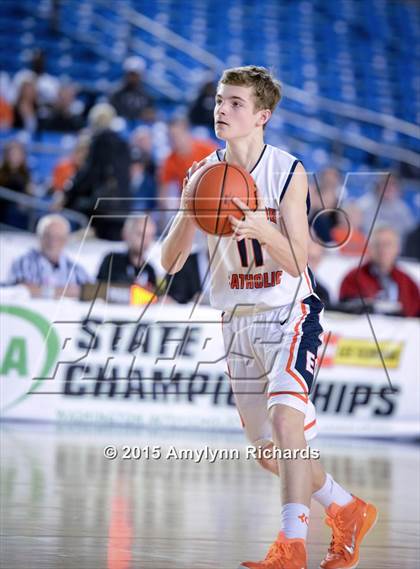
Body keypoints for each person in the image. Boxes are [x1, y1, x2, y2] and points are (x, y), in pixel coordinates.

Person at [161, 65, 377, 569]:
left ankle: (291, 546)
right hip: (235, 321)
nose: (221, 109)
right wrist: (188, 212)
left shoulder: (287, 171)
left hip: (288, 313)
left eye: (235, 102)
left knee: (286, 420)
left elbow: (299, 259)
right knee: (270, 452)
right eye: (219, 99)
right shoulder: (200, 174)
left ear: (263, 115)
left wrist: (262, 227)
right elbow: (169, 265)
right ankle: (346, 509)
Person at [63, 103, 131, 240]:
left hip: (102, 208)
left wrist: (69, 192)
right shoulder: (124, 144)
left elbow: (90, 175)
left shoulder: (98, 141)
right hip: (123, 208)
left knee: (74, 204)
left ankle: (75, 236)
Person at [339, 225, 420, 317]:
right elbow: (344, 310)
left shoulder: (408, 283)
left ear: (397, 248)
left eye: (388, 244)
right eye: (377, 244)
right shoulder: (353, 278)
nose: (382, 249)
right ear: (369, 247)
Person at [7, 214, 92, 298]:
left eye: (59, 238)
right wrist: (69, 292)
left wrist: (42, 290)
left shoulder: (75, 268)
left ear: (66, 240)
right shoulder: (23, 262)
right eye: (48, 236)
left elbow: (94, 291)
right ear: (39, 237)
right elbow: (22, 290)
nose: (53, 242)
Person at [97, 216, 157, 289]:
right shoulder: (112, 261)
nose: (145, 240)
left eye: (150, 236)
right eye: (140, 234)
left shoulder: (150, 270)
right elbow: (100, 289)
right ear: (126, 234)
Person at [357, 175, 416, 241]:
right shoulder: (364, 204)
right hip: (370, 244)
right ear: (377, 187)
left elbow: (411, 231)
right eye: (385, 184)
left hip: (396, 246)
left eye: (392, 185)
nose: (389, 188)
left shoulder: (401, 207)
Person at [110, 56, 155, 122]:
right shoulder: (117, 93)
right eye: (131, 74)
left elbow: (150, 114)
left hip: (140, 125)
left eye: (135, 74)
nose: (133, 77)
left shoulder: (146, 95)